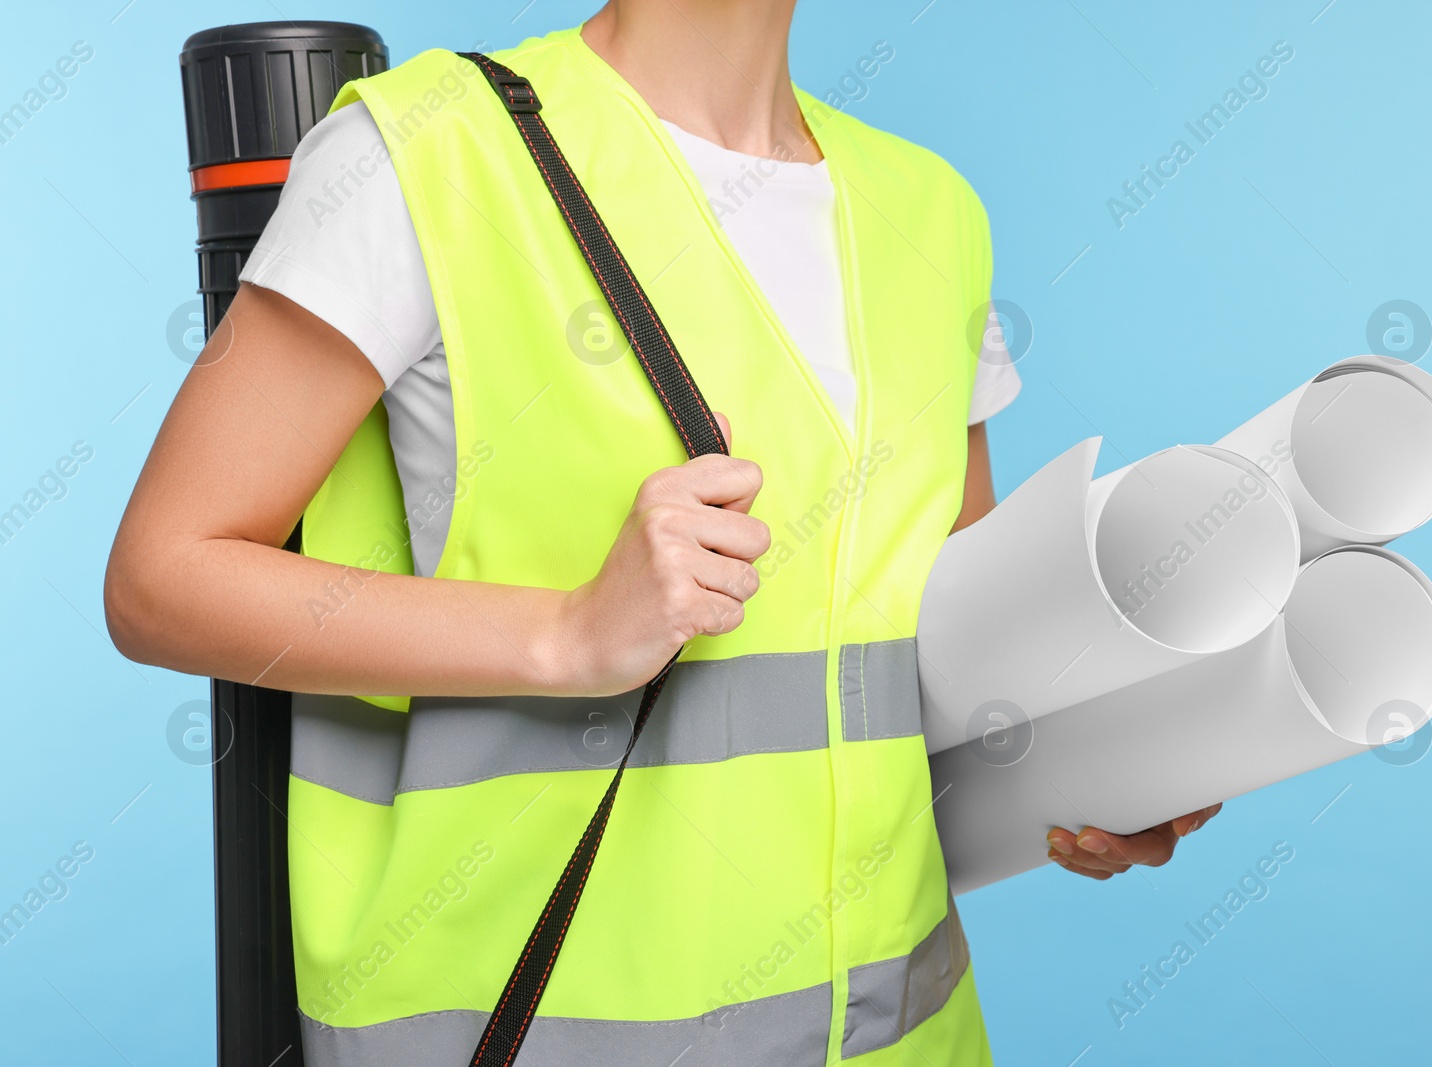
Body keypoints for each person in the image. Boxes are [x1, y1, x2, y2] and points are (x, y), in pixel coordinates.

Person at [106, 2, 1218, 1062]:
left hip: (902, 1033)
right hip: (534, 1024)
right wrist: (570, 634)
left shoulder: (929, 211)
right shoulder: (425, 155)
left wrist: (1095, 768)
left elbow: (941, 661)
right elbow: (162, 578)